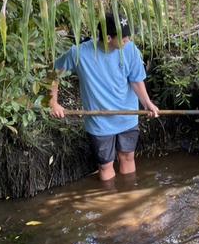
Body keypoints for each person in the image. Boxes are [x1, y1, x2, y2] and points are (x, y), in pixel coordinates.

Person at [49, 13, 160, 181]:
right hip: (99, 120)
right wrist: (53, 103)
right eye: (123, 38)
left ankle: (129, 196)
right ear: (108, 38)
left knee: (128, 157)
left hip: (127, 115)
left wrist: (147, 103)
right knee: (105, 165)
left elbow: (136, 80)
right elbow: (53, 74)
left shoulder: (130, 49)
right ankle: (110, 202)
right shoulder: (79, 54)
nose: (128, 41)